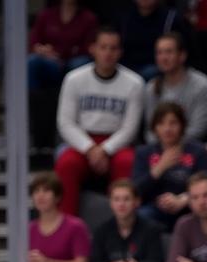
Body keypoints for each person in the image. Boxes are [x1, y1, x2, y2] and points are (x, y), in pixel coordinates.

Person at [54, 27, 144, 216]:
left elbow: (130, 128)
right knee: (66, 164)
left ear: (120, 52)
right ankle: (67, 226)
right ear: (93, 49)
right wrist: (90, 148)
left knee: (128, 162)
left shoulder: (134, 83)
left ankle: (123, 224)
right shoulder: (74, 79)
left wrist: (104, 149)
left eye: (113, 48)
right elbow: (65, 123)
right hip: (83, 142)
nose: (108, 53)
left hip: (117, 143)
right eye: (103, 47)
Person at [85, 179, 164, 262]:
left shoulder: (151, 229)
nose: (121, 204)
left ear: (137, 202)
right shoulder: (101, 231)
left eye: (126, 199)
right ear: (110, 203)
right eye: (116, 199)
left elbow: (157, 261)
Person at [133, 101, 207, 229]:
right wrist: (159, 168)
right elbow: (135, 191)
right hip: (154, 209)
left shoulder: (198, 152)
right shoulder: (144, 153)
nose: (167, 129)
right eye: (161, 123)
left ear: (182, 126)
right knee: (140, 217)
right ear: (154, 127)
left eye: (173, 123)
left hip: (190, 209)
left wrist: (183, 200)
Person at [142, 32, 207, 144]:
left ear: (182, 56)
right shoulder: (151, 88)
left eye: (169, 52)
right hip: (159, 150)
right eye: (159, 53)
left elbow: (199, 130)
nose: (163, 58)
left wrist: (171, 145)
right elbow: (150, 130)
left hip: (191, 149)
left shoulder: (202, 85)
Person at [28, 0, 98, 92]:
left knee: (81, 63)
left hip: (73, 61)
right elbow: (34, 43)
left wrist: (62, 55)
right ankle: (31, 101)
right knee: (32, 61)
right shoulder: (46, 15)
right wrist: (43, 50)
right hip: (50, 62)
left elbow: (90, 48)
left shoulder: (88, 18)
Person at [119, 0, 190, 82]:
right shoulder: (124, 17)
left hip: (159, 70)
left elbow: (185, 51)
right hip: (126, 69)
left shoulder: (171, 19)